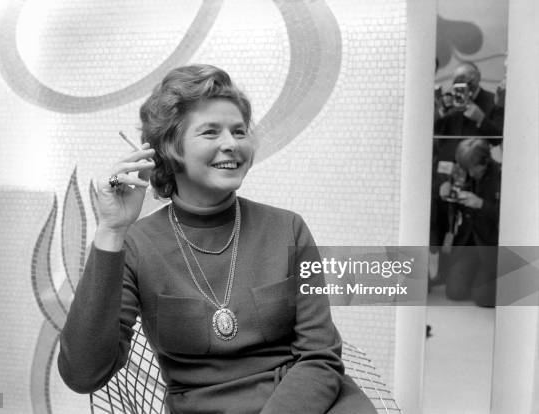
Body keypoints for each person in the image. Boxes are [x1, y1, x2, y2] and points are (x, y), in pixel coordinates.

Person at [57, 64, 377, 413]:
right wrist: (111, 231)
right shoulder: (136, 245)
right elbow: (83, 375)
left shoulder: (288, 229)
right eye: (211, 132)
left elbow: (320, 357)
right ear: (168, 147)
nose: (232, 144)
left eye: (239, 132)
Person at [438, 138, 500, 307]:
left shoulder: (501, 176)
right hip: (468, 243)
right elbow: (453, 202)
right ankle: (477, 276)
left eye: (475, 169)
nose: (470, 174)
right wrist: (445, 193)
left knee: (483, 298)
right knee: (454, 292)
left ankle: (488, 276)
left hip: (490, 245)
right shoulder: (463, 170)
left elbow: (512, 218)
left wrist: (481, 204)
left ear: (485, 161)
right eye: (467, 169)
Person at [434, 61, 504, 137]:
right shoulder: (447, 100)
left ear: (477, 78)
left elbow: (498, 138)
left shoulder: (494, 101)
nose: (460, 85)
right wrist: (441, 112)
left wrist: (481, 119)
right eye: (456, 81)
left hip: (478, 147)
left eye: (463, 79)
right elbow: (432, 132)